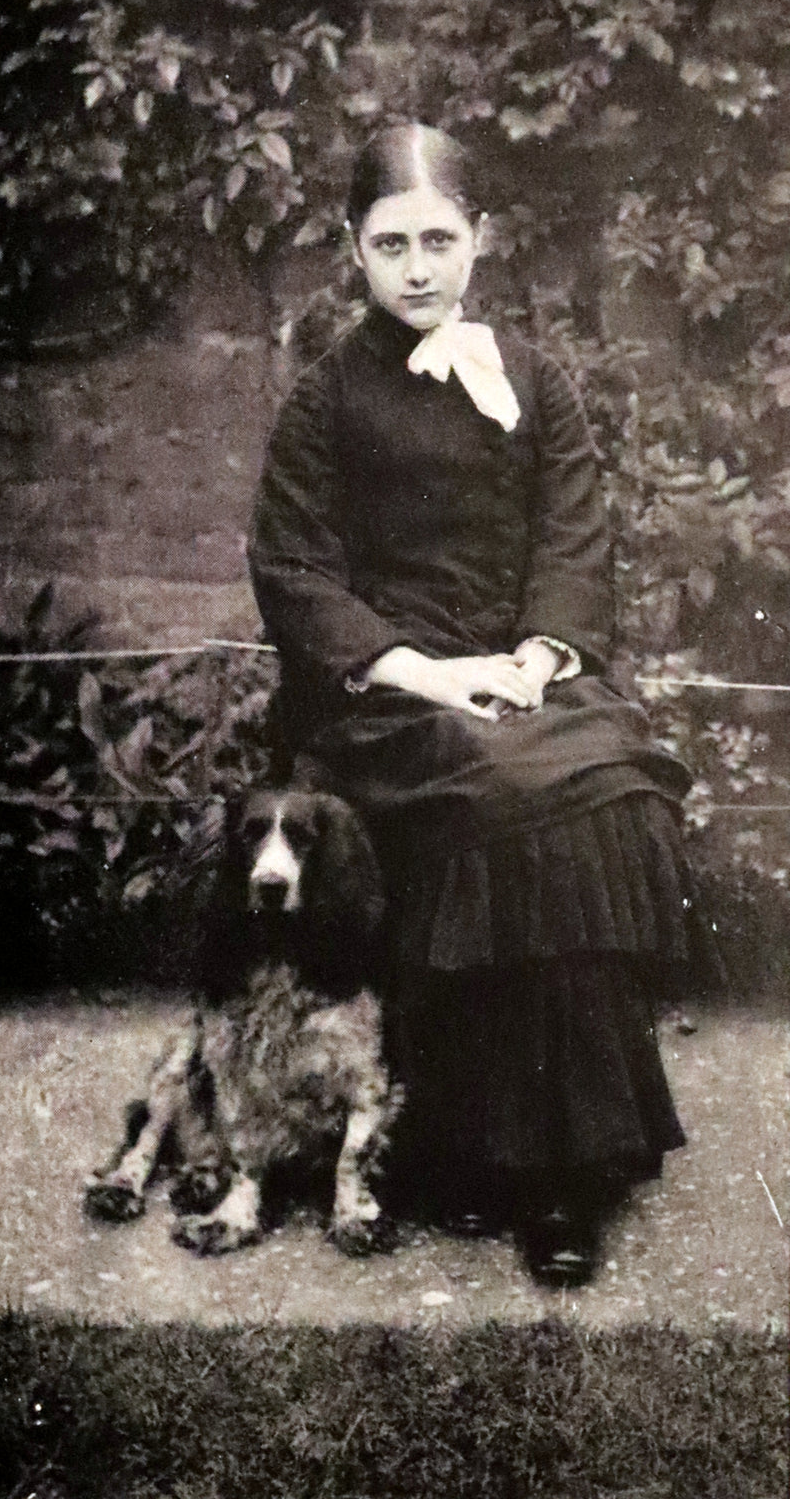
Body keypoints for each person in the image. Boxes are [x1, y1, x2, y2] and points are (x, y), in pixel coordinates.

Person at [248, 122, 720, 1286]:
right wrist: (431, 671)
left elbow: (575, 533)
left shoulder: (533, 381)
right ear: (352, 253)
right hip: (386, 695)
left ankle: (570, 1161)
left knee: (601, 783)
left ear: (481, 242)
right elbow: (295, 572)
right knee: (512, 793)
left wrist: (538, 655)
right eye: (390, 243)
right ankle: (490, 1162)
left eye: (439, 241)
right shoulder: (323, 401)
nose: (417, 267)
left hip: (525, 675)